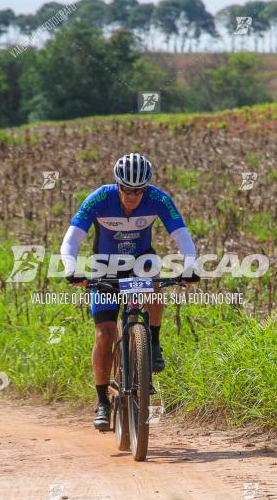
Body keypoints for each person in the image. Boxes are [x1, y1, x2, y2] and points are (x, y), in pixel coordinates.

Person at [60, 153, 198, 430]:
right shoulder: (100, 198)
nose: (133, 196)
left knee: (155, 286)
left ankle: (153, 343)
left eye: (139, 190)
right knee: (105, 334)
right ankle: (102, 402)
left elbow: (181, 235)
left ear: (146, 188)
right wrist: (70, 268)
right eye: (127, 189)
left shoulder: (158, 199)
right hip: (105, 266)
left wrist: (191, 266)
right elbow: (72, 239)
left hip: (140, 261)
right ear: (117, 184)